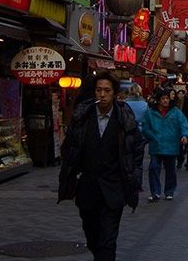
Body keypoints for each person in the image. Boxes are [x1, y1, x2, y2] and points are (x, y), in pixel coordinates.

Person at [58, 72, 144, 261]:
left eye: (107, 90)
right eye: (99, 90)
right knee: (92, 236)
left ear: (115, 94)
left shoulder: (124, 119)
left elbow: (137, 149)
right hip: (87, 188)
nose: (102, 95)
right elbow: (69, 147)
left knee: (107, 240)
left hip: (114, 189)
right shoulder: (83, 117)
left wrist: (134, 177)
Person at [141, 88, 188, 201]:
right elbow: (145, 127)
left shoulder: (175, 112)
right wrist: (153, 136)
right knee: (153, 168)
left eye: (167, 98)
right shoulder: (150, 113)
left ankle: (169, 191)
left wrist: (185, 135)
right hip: (156, 145)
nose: (166, 101)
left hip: (171, 145)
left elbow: (183, 124)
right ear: (158, 100)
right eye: (163, 99)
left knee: (170, 170)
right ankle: (155, 192)